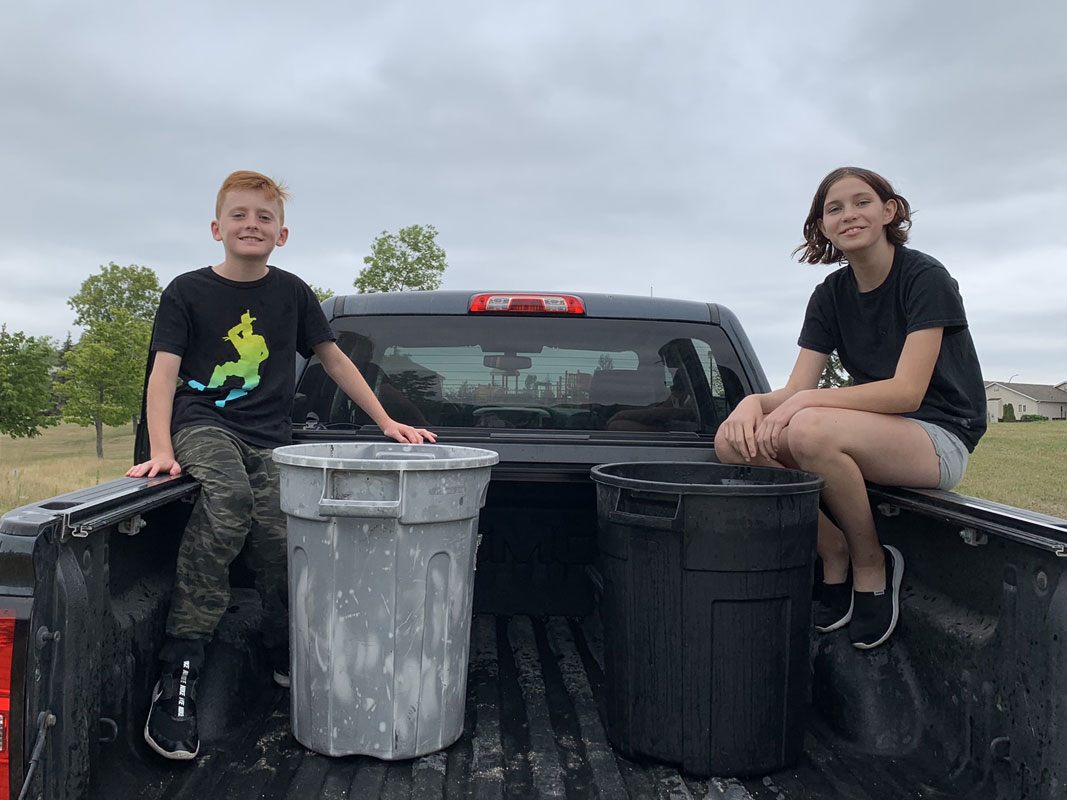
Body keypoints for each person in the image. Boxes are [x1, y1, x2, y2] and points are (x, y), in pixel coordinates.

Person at [127, 170, 436, 760]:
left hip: (271, 439)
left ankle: (284, 653)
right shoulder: (187, 291)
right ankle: (180, 668)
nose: (252, 225)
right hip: (203, 425)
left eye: (264, 217)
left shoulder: (292, 292)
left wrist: (386, 422)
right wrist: (160, 450)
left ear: (282, 234)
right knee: (229, 502)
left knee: (285, 538)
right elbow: (163, 374)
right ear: (217, 228)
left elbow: (335, 360)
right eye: (240, 215)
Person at [715, 167, 986, 650]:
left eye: (862, 202)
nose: (849, 215)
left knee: (809, 429)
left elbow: (906, 393)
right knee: (732, 443)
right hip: (872, 432)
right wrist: (752, 403)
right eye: (834, 208)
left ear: (889, 211)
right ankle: (833, 548)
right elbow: (797, 388)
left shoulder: (925, 278)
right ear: (823, 226)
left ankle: (871, 561)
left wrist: (805, 402)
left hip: (939, 435)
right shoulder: (829, 295)